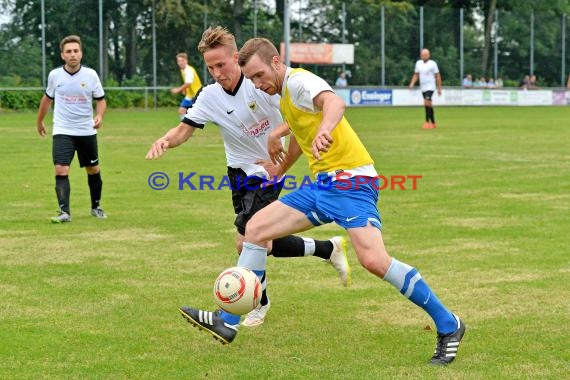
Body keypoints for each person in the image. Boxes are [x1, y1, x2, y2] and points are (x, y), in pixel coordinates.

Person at [180, 37, 466, 366]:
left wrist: (325, 130)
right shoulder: (283, 94)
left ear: (276, 62)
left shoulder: (300, 81)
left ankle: (449, 324)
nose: (257, 85)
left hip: (352, 181)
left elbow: (333, 104)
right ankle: (227, 322)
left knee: (374, 261)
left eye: (259, 76)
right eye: (252, 79)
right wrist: (278, 147)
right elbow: (302, 125)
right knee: (255, 230)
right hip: (323, 185)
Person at [146, 27, 350, 327]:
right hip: (237, 173)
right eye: (210, 67)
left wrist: (280, 165)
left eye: (222, 65)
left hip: (267, 172)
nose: (216, 73)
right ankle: (326, 248)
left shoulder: (263, 85)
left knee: (247, 241)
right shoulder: (209, 95)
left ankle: (254, 304)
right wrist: (166, 140)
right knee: (259, 242)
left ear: (236, 57)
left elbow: (297, 125)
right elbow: (184, 129)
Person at [36, 35, 107, 223]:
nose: (73, 54)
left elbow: (100, 100)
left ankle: (96, 206)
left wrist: (99, 115)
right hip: (62, 130)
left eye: (76, 51)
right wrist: (39, 121)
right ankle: (64, 212)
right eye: (68, 51)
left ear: (81, 53)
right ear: (62, 55)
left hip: (86, 130)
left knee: (93, 169)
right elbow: (47, 99)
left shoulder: (91, 75)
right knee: (60, 170)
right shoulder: (55, 75)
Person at [408, 48, 442, 129]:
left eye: (426, 55)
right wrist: (412, 83)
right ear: (421, 55)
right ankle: (433, 123)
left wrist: (439, 88)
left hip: (430, 86)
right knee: (428, 104)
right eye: (423, 55)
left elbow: (437, 76)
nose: (424, 56)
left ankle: (427, 122)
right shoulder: (418, 63)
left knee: (426, 102)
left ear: (429, 55)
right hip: (423, 87)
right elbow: (416, 74)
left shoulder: (433, 64)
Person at [170, 53, 203, 119]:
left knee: (201, 114)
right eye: (178, 61)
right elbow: (187, 82)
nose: (180, 63)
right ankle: (185, 126)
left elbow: (188, 83)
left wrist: (178, 90)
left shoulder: (189, 70)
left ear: (186, 61)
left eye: (182, 61)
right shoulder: (183, 70)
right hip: (190, 95)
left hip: (197, 95)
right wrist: (184, 90)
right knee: (182, 111)